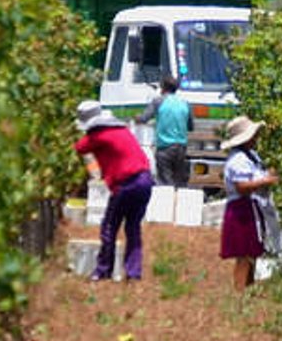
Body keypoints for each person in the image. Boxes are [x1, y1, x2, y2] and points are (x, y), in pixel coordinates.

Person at [73, 100, 155, 282]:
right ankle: (133, 273)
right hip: (145, 180)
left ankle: (103, 271)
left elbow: (80, 147)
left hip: (126, 184)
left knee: (109, 227)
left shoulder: (98, 136)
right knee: (133, 227)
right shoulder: (122, 130)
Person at [218, 114, 282, 290]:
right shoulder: (238, 160)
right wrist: (266, 181)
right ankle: (240, 290)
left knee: (252, 249)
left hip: (249, 206)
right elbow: (242, 187)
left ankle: (248, 287)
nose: (256, 139)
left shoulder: (250, 156)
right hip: (241, 208)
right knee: (243, 252)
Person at [137, 75, 193, 187]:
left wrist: (136, 118)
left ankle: (166, 203)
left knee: (165, 183)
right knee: (179, 183)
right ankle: (178, 203)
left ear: (162, 88)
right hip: (181, 148)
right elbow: (190, 127)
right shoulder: (185, 103)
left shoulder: (158, 101)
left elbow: (144, 118)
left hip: (165, 148)